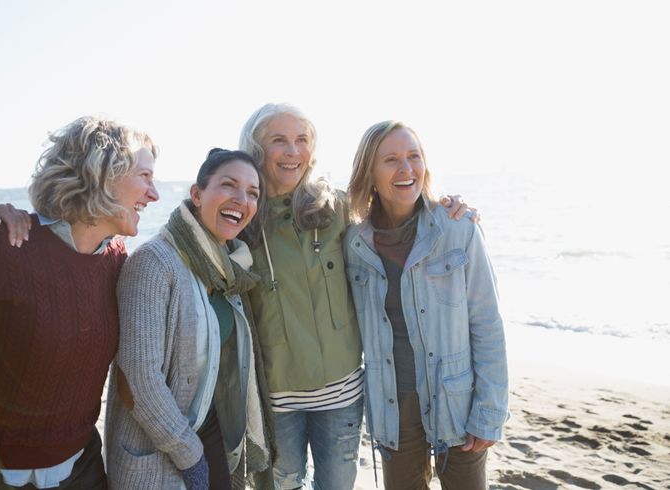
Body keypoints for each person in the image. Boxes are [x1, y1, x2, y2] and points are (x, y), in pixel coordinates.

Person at [237, 103, 476, 490]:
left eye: (302, 139)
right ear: (255, 148)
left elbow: (398, 208)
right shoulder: (242, 219)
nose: (293, 151)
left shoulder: (337, 207)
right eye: (278, 140)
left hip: (342, 395)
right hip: (277, 399)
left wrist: (447, 206)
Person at [0, 115, 159, 489]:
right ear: (102, 174)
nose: (154, 194)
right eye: (144, 176)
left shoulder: (117, 260)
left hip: (81, 469)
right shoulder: (0, 242)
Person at [344, 121, 507, 489]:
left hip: (457, 400)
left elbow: (487, 324)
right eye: (391, 160)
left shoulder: (459, 229)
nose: (406, 169)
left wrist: (490, 411)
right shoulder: (354, 242)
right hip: (392, 404)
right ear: (369, 173)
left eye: (413, 156)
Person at [106, 148, 270, 489]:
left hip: (209, 429)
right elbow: (137, 378)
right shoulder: (154, 262)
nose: (242, 200)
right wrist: (190, 455)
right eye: (229, 185)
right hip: (159, 448)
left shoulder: (230, 268)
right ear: (197, 194)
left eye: (253, 193)